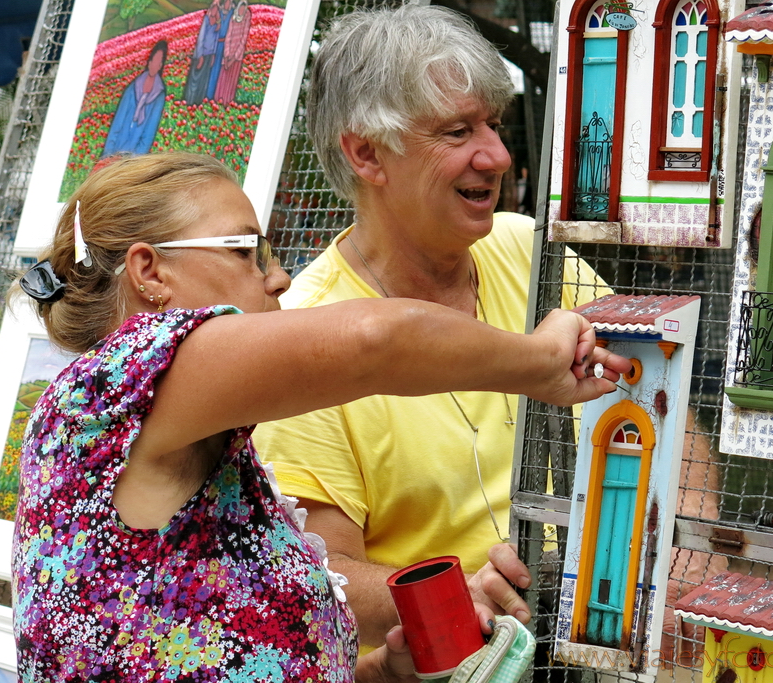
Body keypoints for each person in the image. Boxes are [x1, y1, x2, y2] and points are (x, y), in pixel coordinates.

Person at [11, 152, 623, 682]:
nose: (277, 277)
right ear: (151, 273)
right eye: (248, 250)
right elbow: (375, 341)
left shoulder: (211, 452)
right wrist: (537, 361)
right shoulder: (108, 388)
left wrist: (382, 673)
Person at [251, 4, 632, 648]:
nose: (499, 155)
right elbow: (322, 574)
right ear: (367, 153)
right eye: (457, 131)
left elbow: (659, 401)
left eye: (494, 123)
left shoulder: (528, 249)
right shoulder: (303, 334)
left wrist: (682, 551)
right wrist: (454, 595)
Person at [101, 41, 168, 158]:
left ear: (160, 66)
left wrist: (133, 160)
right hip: (116, 149)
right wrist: (108, 155)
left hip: (132, 157)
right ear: (149, 61)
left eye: (159, 62)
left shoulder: (159, 95)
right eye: (154, 60)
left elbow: (148, 134)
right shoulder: (134, 87)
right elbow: (117, 123)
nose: (155, 64)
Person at [183, 1, 220, 105]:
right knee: (194, 79)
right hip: (201, 54)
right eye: (213, 8)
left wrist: (213, 55)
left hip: (209, 55)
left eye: (217, 9)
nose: (214, 11)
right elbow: (201, 38)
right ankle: (189, 101)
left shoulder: (216, 23)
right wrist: (200, 56)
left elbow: (216, 39)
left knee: (203, 80)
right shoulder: (206, 20)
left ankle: (198, 102)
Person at [213, 0, 250, 103]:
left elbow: (243, 40)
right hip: (228, 55)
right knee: (223, 79)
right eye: (241, 8)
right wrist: (226, 55)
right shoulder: (233, 19)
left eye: (244, 8)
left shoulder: (246, 20)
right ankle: (218, 101)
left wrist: (233, 58)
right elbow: (228, 36)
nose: (242, 10)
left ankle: (227, 102)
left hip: (236, 58)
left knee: (231, 81)